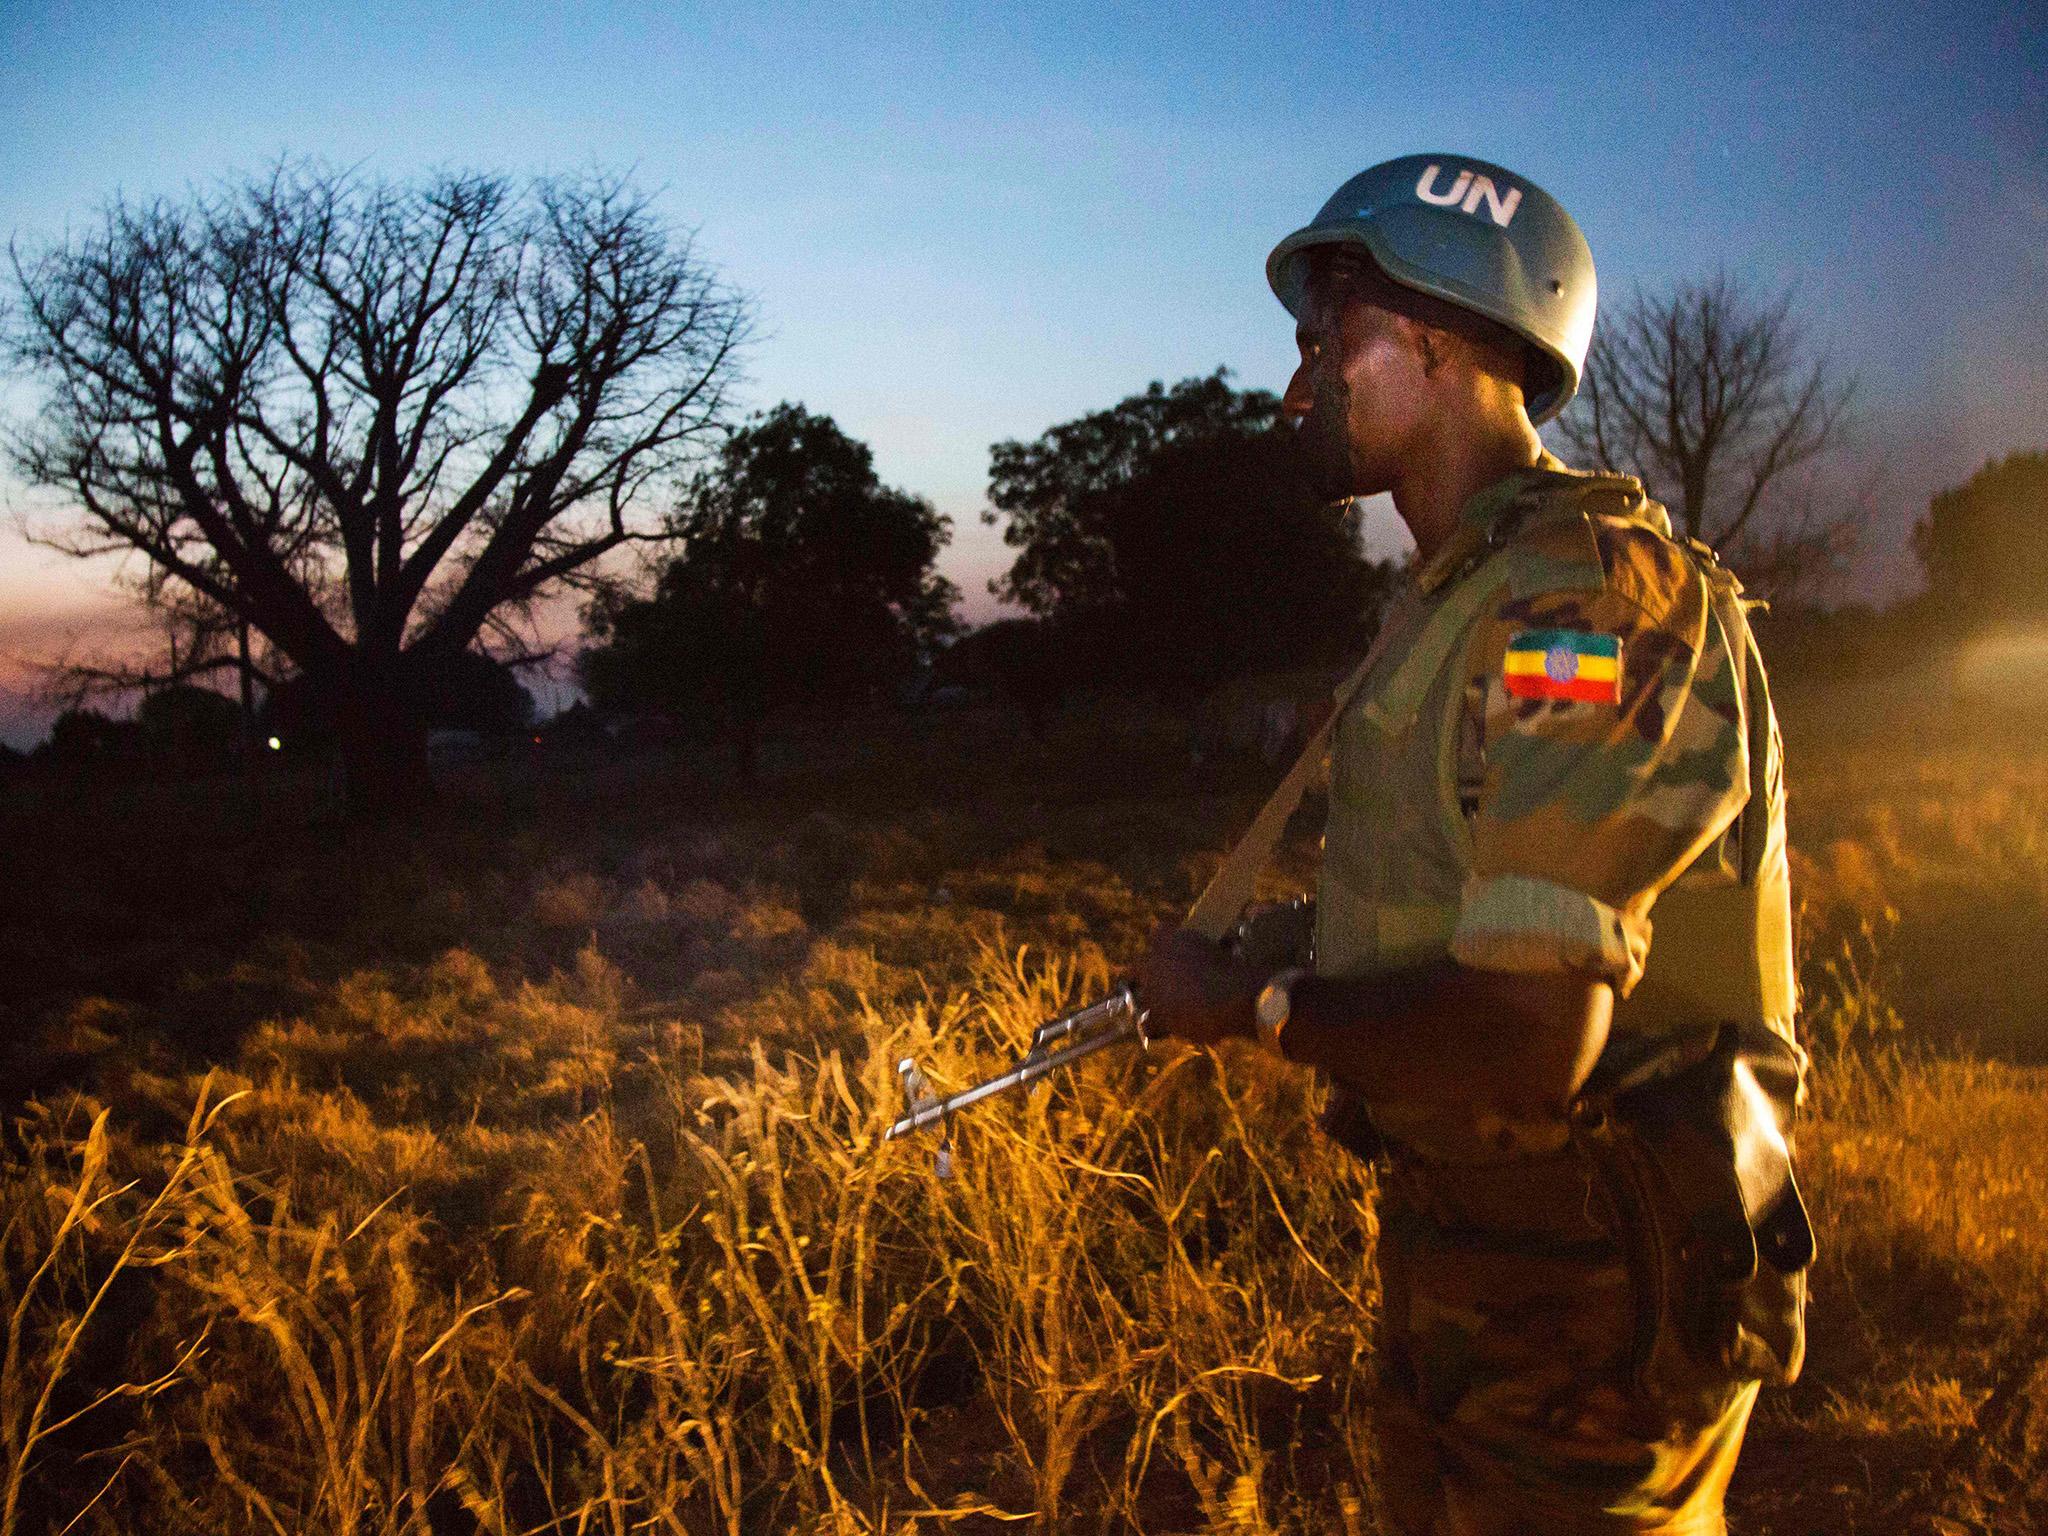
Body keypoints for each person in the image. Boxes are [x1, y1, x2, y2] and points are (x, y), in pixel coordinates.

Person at [1134, 155, 1812, 1535]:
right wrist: (1296, 941)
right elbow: (1471, 899)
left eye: (1327, 342)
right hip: (1476, 1252)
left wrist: (1257, 1007)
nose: (1297, 387)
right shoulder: (1463, 605)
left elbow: (1528, 1031)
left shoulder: (1578, 610)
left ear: (1437, 341)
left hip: (1595, 1287)